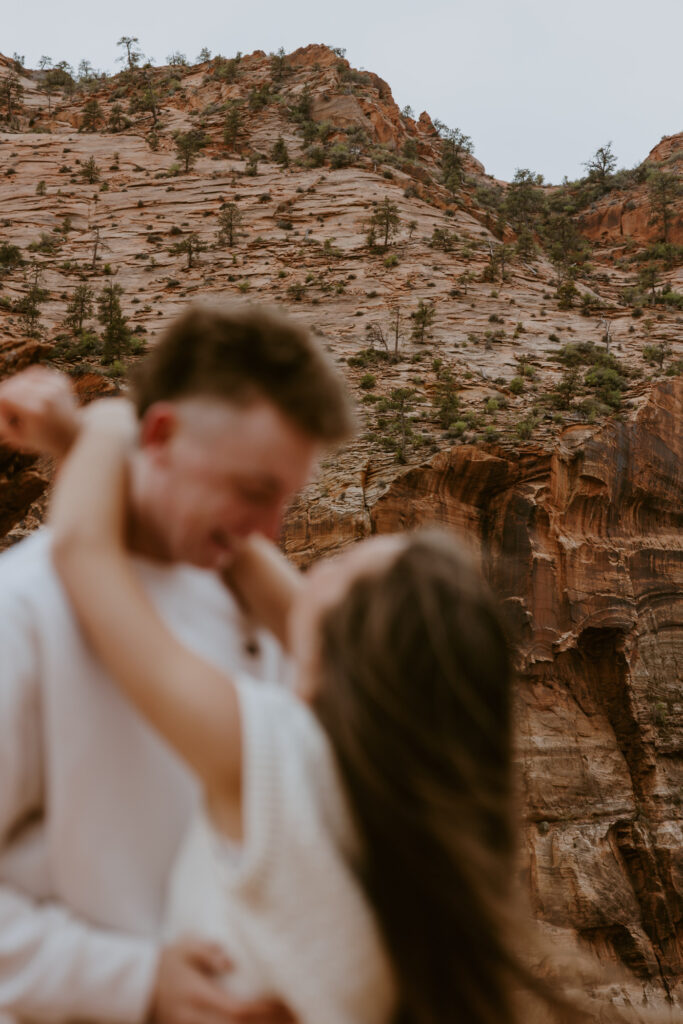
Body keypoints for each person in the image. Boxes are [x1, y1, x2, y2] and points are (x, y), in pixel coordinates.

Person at [8, 388, 580, 1024]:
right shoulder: (407, 813)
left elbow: (85, 554)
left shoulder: (277, 761)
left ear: (343, 648)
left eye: (343, 564)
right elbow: (259, 572)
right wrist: (151, 466)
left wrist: (108, 425)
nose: (312, 569)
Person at [0, 304, 353, 1024]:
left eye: (286, 499)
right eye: (254, 491)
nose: (269, 530)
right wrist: (129, 980)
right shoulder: (24, 609)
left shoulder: (259, 613)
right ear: (159, 435)